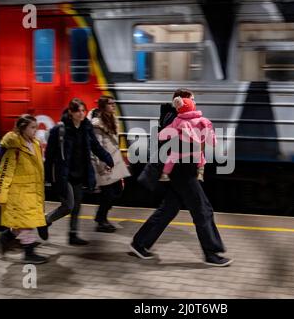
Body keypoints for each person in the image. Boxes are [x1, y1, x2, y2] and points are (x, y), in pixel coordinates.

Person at [130, 89, 233, 267]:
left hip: (183, 169)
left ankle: (139, 243)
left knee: (168, 210)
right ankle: (211, 253)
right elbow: (171, 142)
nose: (195, 101)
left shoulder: (179, 117)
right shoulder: (175, 118)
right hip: (182, 170)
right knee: (203, 210)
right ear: (183, 101)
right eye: (192, 99)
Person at [41, 98, 114, 245]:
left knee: (77, 206)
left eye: (83, 110)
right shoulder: (59, 130)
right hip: (64, 174)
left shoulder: (86, 127)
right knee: (68, 205)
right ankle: (45, 220)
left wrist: (108, 158)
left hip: (80, 173)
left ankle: (72, 235)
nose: (81, 114)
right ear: (71, 112)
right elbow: (49, 156)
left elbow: (95, 146)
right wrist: (48, 176)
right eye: (78, 111)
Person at [0, 114, 48, 264]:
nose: (35, 130)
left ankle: (5, 237)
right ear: (23, 128)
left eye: (36, 127)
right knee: (27, 224)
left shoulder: (35, 144)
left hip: (32, 191)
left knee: (24, 223)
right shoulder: (14, 148)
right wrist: (1, 196)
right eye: (32, 127)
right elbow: (5, 173)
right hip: (19, 193)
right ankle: (29, 253)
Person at [91, 96, 131, 233]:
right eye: (110, 103)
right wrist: (101, 165)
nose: (113, 105)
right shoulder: (97, 124)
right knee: (107, 194)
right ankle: (101, 220)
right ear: (103, 106)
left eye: (114, 103)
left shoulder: (113, 120)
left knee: (118, 190)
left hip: (115, 161)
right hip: (105, 163)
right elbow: (97, 146)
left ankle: (101, 217)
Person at [159, 96, 215, 182]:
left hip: (182, 149)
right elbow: (209, 132)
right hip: (196, 148)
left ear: (179, 109)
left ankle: (165, 175)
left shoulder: (178, 120)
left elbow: (170, 131)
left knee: (172, 157)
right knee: (200, 157)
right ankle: (200, 173)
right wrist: (213, 142)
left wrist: (159, 136)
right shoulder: (203, 120)